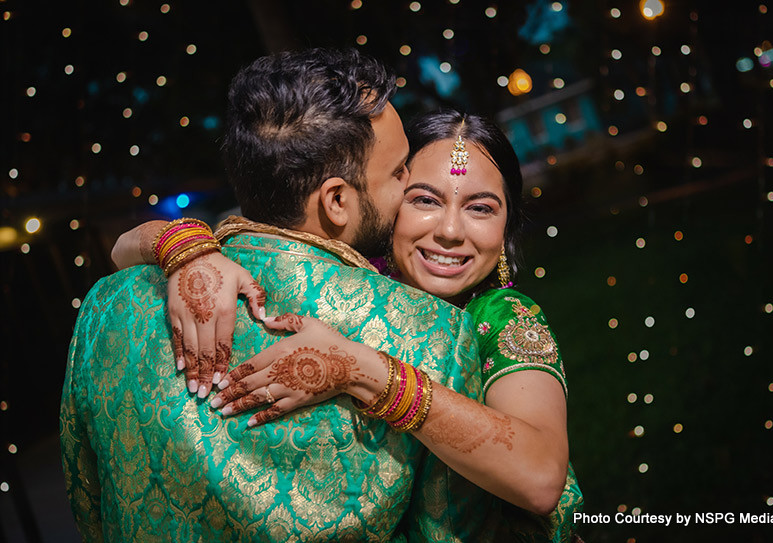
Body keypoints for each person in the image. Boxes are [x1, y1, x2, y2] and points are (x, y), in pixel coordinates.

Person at [60, 48, 491, 542]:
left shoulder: (106, 307)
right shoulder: (431, 332)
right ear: (336, 200)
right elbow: (448, 531)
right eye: (398, 172)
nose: (411, 182)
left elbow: (89, 502)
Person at [116, 111, 584, 541]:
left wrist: (362, 370)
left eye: (481, 208)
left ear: (506, 227)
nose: (450, 230)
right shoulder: (350, 286)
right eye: (425, 200)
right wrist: (186, 249)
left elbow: (541, 480)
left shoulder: (503, 316)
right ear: (389, 198)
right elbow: (120, 250)